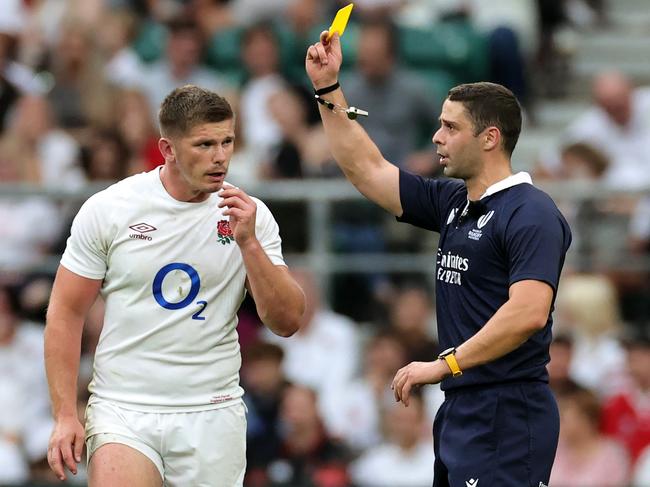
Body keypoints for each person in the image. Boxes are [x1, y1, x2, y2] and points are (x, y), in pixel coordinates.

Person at [305, 32, 571, 487]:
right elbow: (367, 170)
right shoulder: (454, 202)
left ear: (490, 138)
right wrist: (328, 89)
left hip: (506, 412)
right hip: (460, 409)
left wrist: (444, 364)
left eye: (450, 127)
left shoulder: (532, 212)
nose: (436, 137)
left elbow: (527, 313)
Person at [44, 85, 305, 486]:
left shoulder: (251, 217)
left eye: (227, 141)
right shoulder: (110, 209)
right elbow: (66, 310)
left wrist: (249, 243)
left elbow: (287, 321)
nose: (220, 157)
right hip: (125, 407)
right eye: (204, 144)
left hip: (211, 410)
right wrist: (65, 413)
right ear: (167, 149)